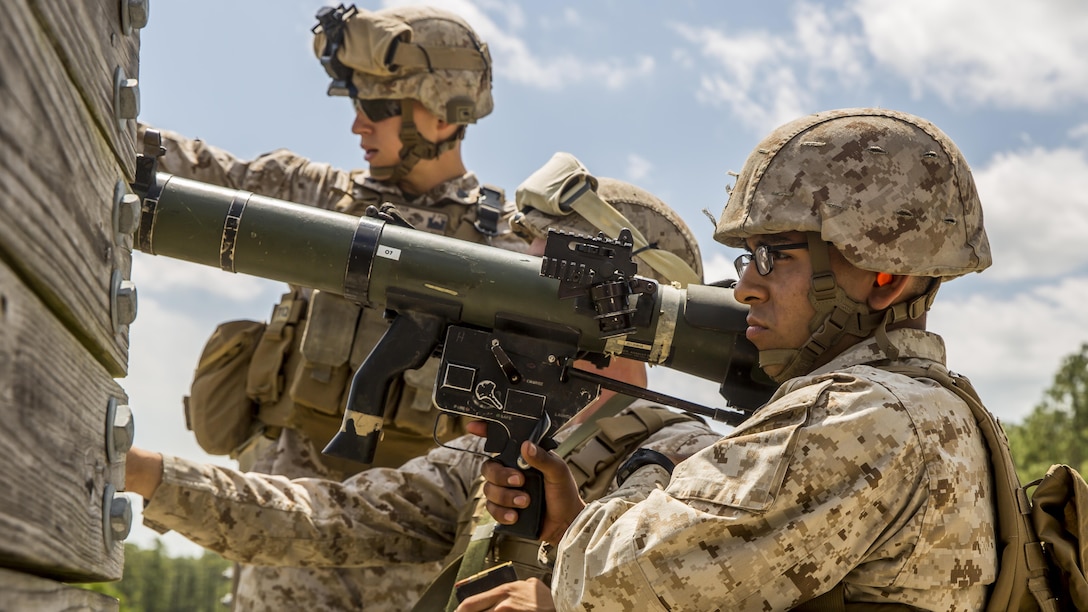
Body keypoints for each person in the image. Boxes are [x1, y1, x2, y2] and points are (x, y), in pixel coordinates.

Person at [126, 173, 724, 611]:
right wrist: (140, 473)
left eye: (539, 279)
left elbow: (704, 589)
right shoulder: (514, 441)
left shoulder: (688, 459)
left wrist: (567, 601)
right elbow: (333, 521)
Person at [479, 108, 998, 610]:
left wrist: (655, 466)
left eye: (775, 256)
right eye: (747, 257)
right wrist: (576, 527)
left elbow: (617, 586)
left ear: (885, 277)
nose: (745, 288)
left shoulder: (861, 416)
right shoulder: (936, 408)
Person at [138, 5, 527, 610]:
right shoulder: (318, 198)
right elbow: (184, 168)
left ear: (444, 112)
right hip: (278, 522)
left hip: (404, 548)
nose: (357, 127)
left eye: (376, 109)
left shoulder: (507, 250)